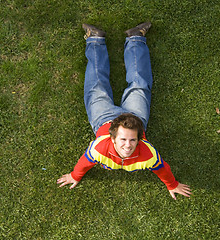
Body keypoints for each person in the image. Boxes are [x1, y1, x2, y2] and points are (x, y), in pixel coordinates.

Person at [57, 22, 191, 200]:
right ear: (112, 138)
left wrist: (172, 184)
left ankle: (107, 38)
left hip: (128, 118)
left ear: (138, 138)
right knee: (136, 86)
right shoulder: (99, 149)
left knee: (97, 87)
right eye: (123, 139)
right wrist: (74, 176)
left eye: (132, 140)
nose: (128, 145)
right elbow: (84, 163)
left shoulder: (148, 154)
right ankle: (113, 40)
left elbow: (162, 168)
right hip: (108, 119)